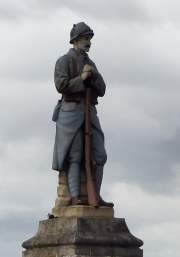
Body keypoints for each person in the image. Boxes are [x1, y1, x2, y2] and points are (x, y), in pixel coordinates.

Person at [52, 22, 113, 207]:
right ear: (76, 40)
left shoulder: (89, 63)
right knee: (75, 156)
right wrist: (82, 79)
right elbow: (61, 86)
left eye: (90, 39)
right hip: (71, 112)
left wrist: (93, 75)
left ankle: (96, 196)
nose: (89, 43)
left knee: (99, 155)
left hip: (89, 112)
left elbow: (101, 90)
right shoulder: (63, 61)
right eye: (86, 39)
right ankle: (75, 196)